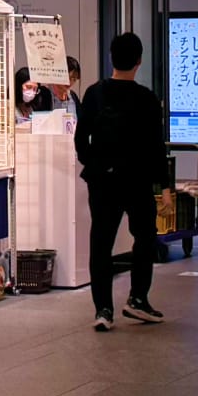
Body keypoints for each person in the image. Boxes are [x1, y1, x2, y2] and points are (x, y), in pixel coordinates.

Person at [74, 33, 170, 331]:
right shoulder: (148, 99)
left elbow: (81, 139)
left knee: (101, 242)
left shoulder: (94, 93)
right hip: (138, 181)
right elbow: (157, 148)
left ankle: (103, 309)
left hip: (102, 181)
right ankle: (137, 298)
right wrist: (164, 188)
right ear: (139, 61)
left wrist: (94, 164)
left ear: (110, 57)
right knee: (144, 236)